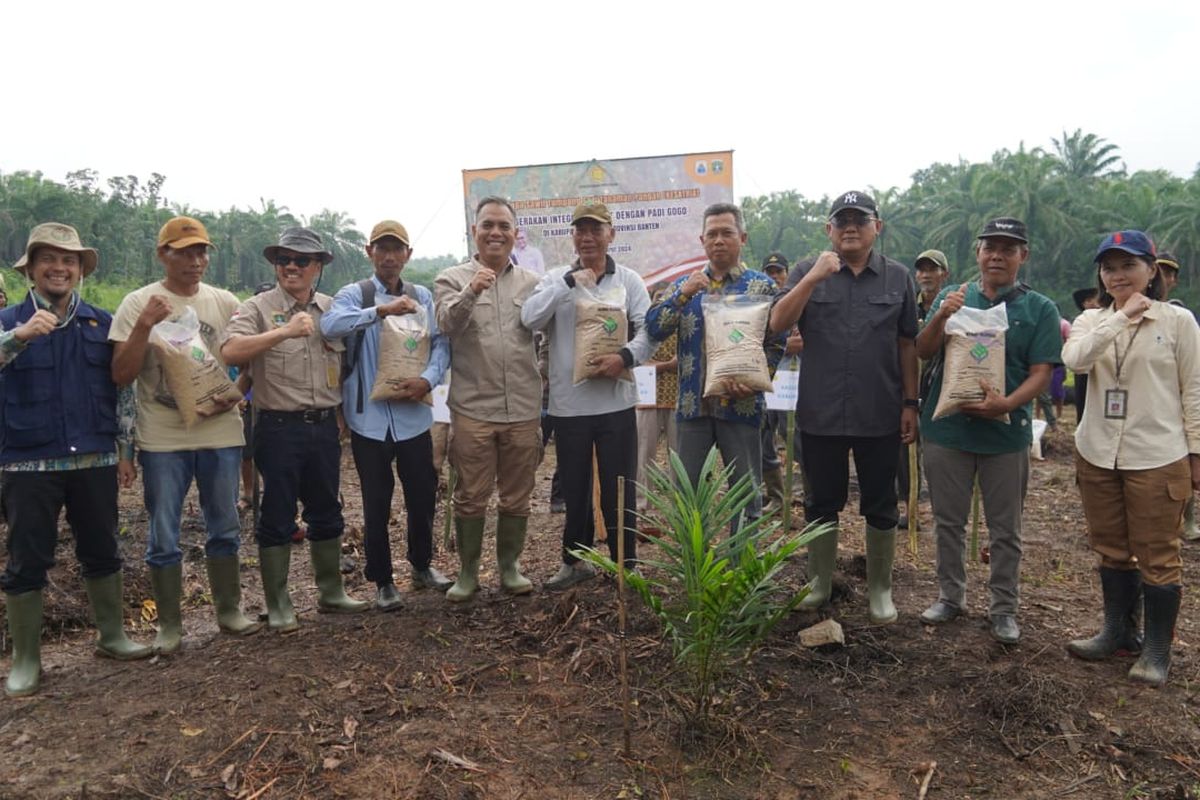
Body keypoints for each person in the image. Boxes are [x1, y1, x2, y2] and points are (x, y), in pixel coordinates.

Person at [0, 223, 153, 696]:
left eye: (69, 261)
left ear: (81, 270)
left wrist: (126, 450)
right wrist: (19, 336)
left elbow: (121, 388)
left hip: (94, 457)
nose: (59, 268)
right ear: (31, 268)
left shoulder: (102, 323)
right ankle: (26, 659)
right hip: (28, 461)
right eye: (49, 259)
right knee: (27, 559)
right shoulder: (9, 320)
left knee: (103, 549)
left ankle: (112, 636)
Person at [110, 216, 261, 653]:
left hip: (220, 433)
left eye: (202, 251)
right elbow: (121, 374)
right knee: (162, 532)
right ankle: (169, 625)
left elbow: (247, 361)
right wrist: (144, 326)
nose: (197, 260)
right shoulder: (138, 303)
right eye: (186, 252)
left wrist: (234, 394)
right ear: (164, 254)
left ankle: (229, 611)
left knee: (225, 525)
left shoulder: (225, 301)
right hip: (163, 438)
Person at [769, 191, 918, 624]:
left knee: (881, 501)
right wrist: (813, 278)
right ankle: (819, 583)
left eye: (860, 219)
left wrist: (911, 402)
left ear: (878, 226)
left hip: (880, 411)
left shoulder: (897, 277)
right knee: (821, 501)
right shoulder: (806, 271)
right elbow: (779, 323)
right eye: (842, 220)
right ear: (828, 230)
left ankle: (880, 589)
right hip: (822, 411)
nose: (851, 227)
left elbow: (907, 344)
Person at [914, 218, 1062, 644]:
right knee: (947, 521)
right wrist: (941, 315)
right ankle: (950, 596)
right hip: (948, 433)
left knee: (1006, 529)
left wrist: (1008, 404)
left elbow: (1041, 372)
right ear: (977, 253)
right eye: (989, 247)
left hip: (1005, 436)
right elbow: (924, 351)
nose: (997, 255)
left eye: (1008, 248)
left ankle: (1003, 608)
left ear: (1023, 256)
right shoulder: (953, 296)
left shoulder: (1040, 309)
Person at [1064, 231, 1200, 685]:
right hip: (1098, 452)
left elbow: (1194, 390)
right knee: (1111, 550)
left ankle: (1157, 651)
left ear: (1152, 270)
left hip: (1158, 453)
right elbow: (1078, 360)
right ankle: (1118, 632)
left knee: (1159, 555)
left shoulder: (1178, 322)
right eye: (1109, 268)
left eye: (1129, 265)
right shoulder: (1091, 322)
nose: (1118, 275)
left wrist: (1196, 452)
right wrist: (1119, 318)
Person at [221, 227, 369, 630]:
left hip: (323, 427)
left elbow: (353, 358)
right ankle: (279, 601)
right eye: (283, 259)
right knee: (277, 513)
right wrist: (283, 331)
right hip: (278, 427)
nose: (291, 267)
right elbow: (231, 350)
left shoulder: (332, 308)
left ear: (318, 266)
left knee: (327, 509)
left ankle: (331, 592)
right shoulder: (257, 308)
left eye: (302, 260)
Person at [319, 220, 453, 611]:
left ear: (408, 255)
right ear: (370, 252)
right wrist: (379, 311)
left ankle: (422, 566)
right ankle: (382, 580)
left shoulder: (422, 296)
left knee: (422, 495)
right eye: (383, 248)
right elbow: (329, 325)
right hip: (369, 420)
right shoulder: (355, 294)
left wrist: (427, 380)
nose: (390, 256)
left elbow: (440, 345)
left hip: (413, 416)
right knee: (376, 501)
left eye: (397, 249)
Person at [521, 202, 655, 588]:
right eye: (580, 230)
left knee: (620, 486)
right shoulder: (554, 279)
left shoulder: (628, 281)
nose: (587, 237)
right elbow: (529, 319)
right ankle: (574, 561)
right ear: (573, 236)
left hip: (616, 402)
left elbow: (648, 330)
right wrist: (567, 283)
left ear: (611, 234)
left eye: (596, 229)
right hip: (569, 407)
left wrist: (624, 357)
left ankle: (625, 563)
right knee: (575, 490)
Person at [645, 203, 779, 532]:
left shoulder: (761, 287)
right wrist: (681, 296)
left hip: (743, 406)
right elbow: (654, 328)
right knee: (689, 495)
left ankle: (740, 570)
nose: (719, 240)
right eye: (712, 234)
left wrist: (759, 381)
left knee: (744, 495)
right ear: (702, 239)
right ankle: (695, 573)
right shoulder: (684, 285)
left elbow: (776, 342)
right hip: (692, 408)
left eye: (727, 233)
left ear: (742, 237)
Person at [434, 197, 542, 602]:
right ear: (474, 232)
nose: (496, 233)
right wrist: (469, 291)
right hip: (474, 409)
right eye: (487, 226)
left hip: (523, 408)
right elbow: (445, 324)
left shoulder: (532, 283)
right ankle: (466, 573)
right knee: (470, 494)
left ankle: (509, 568)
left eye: (504, 226)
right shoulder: (450, 278)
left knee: (517, 493)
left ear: (516, 234)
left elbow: (544, 336)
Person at [898, 249, 952, 529]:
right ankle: (911, 510)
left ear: (945, 274)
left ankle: (944, 512)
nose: (925, 275)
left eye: (932, 269)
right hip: (908, 387)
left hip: (939, 388)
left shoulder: (955, 306)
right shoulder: (909, 305)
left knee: (936, 453)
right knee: (905, 454)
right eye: (921, 270)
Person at [1156, 251, 1199, 541]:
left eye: (1168, 273)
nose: (1163, 278)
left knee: (1180, 466)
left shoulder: (1180, 318)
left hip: (1175, 403)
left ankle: (1187, 520)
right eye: (1159, 270)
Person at [759, 253, 803, 515]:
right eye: (769, 272)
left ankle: (807, 494)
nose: (774, 277)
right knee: (764, 439)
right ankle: (775, 496)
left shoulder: (797, 303)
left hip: (794, 382)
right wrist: (784, 346)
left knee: (797, 439)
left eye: (778, 272)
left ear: (787, 275)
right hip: (766, 381)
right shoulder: (759, 305)